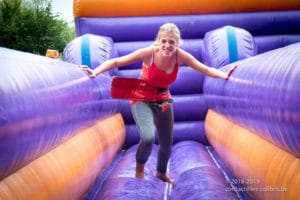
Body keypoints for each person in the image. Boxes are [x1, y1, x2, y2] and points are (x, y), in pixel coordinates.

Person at [81, 23, 237, 184]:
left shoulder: (181, 56)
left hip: (162, 99)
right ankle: (139, 169)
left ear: (177, 44)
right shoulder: (149, 53)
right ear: (158, 41)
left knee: (166, 141)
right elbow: (117, 62)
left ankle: (161, 172)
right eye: (164, 41)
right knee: (148, 137)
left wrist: (224, 75)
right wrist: (95, 71)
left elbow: (205, 69)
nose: (167, 46)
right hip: (141, 97)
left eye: (171, 42)